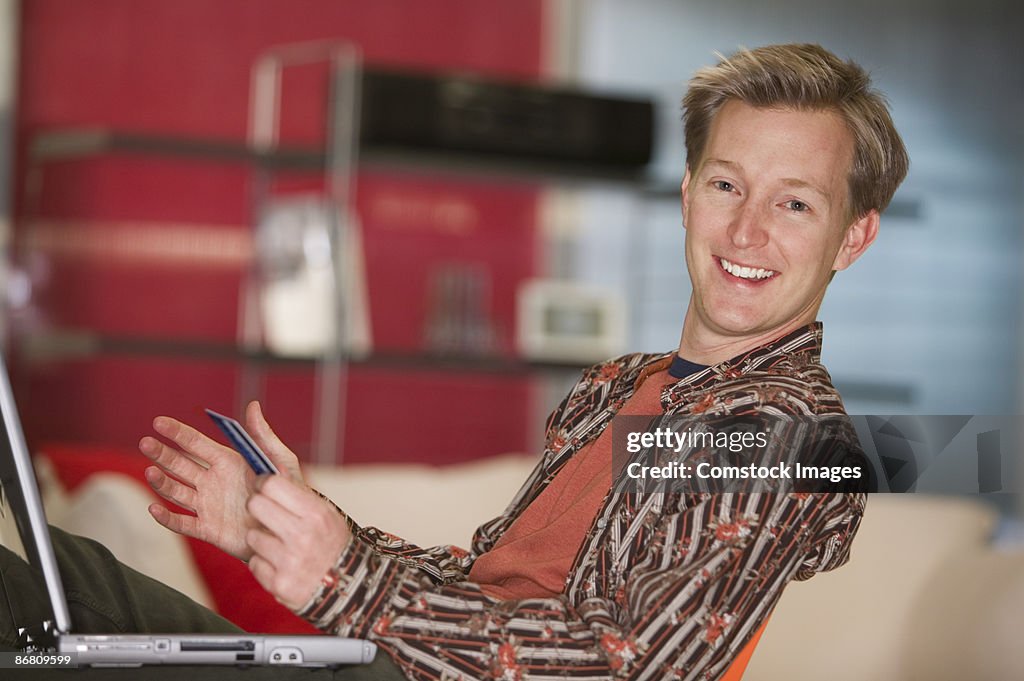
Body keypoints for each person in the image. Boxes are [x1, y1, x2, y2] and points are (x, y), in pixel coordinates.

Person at [3, 43, 908, 680]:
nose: (746, 230)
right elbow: (489, 587)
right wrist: (298, 530)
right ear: (686, 194)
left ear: (853, 237)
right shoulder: (616, 388)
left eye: (795, 204)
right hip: (394, 665)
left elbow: (627, 663)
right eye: (725, 184)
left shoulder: (788, 435)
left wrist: (342, 580)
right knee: (52, 586)